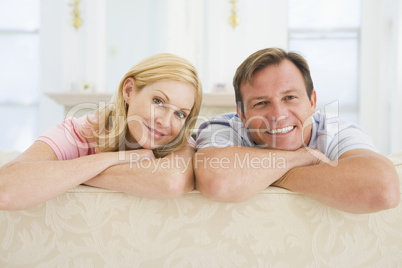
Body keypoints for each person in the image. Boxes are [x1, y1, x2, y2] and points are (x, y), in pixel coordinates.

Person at [194, 47, 400, 214]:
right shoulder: (222, 127)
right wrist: (301, 158)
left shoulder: (336, 131)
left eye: (289, 98)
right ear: (242, 114)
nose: (277, 114)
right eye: (261, 102)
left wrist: (276, 174)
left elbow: (384, 189)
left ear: (312, 101)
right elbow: (216, 182)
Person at [0, 53, 203, 211]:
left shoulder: (182, 144)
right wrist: (118, 158)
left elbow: (172, 182)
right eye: (158, 101)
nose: (165, 122)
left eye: (180, 114)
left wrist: (64, 173)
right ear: (129, 90)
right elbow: (5, 188)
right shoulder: (80, 131)